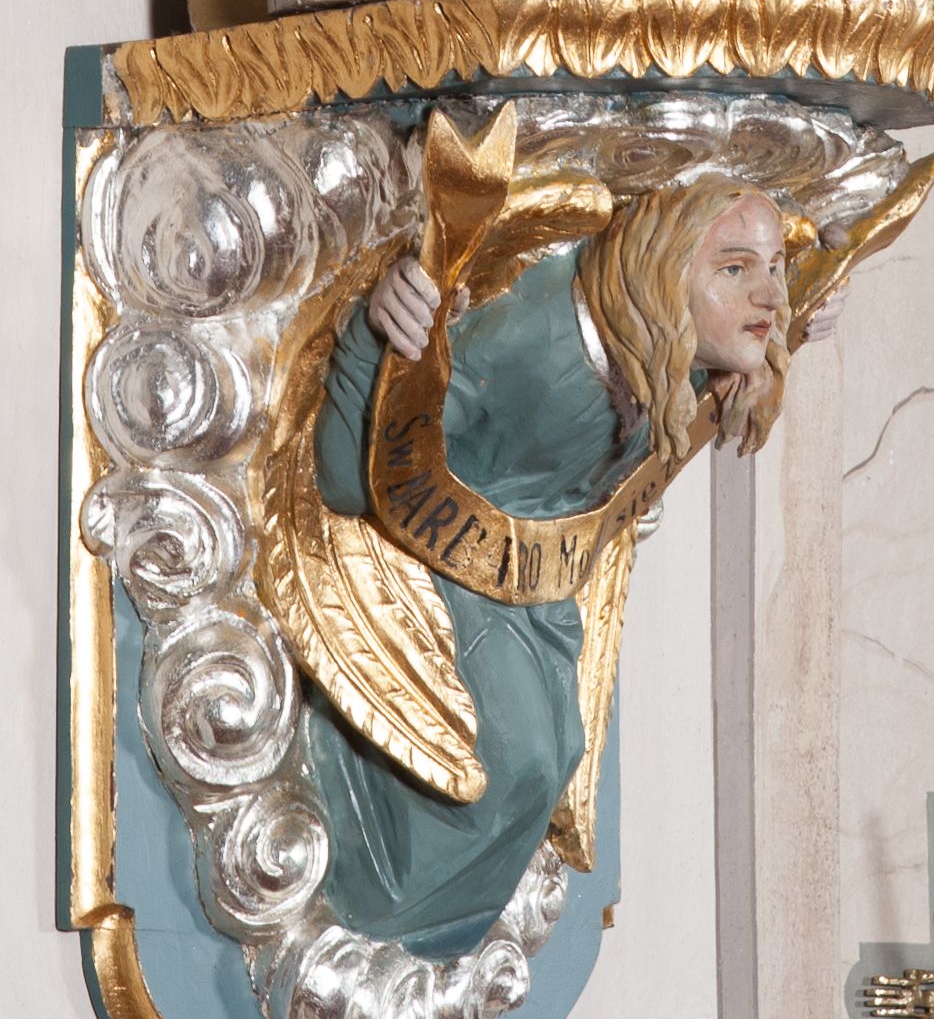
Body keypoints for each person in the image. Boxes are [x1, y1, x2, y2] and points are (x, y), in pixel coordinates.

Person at [303, 181, 789, 961]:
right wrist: (377, 338)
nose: (768, 295)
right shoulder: (533, 341)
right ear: (661, 268)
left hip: (534, 578)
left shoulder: (664, 354)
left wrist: (808, 307)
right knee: (517, 757)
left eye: (776, 267)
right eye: (734, 269)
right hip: (443, 566)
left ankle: (429, 936)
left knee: (557, 752)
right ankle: (375, 902)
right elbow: (347, 476)